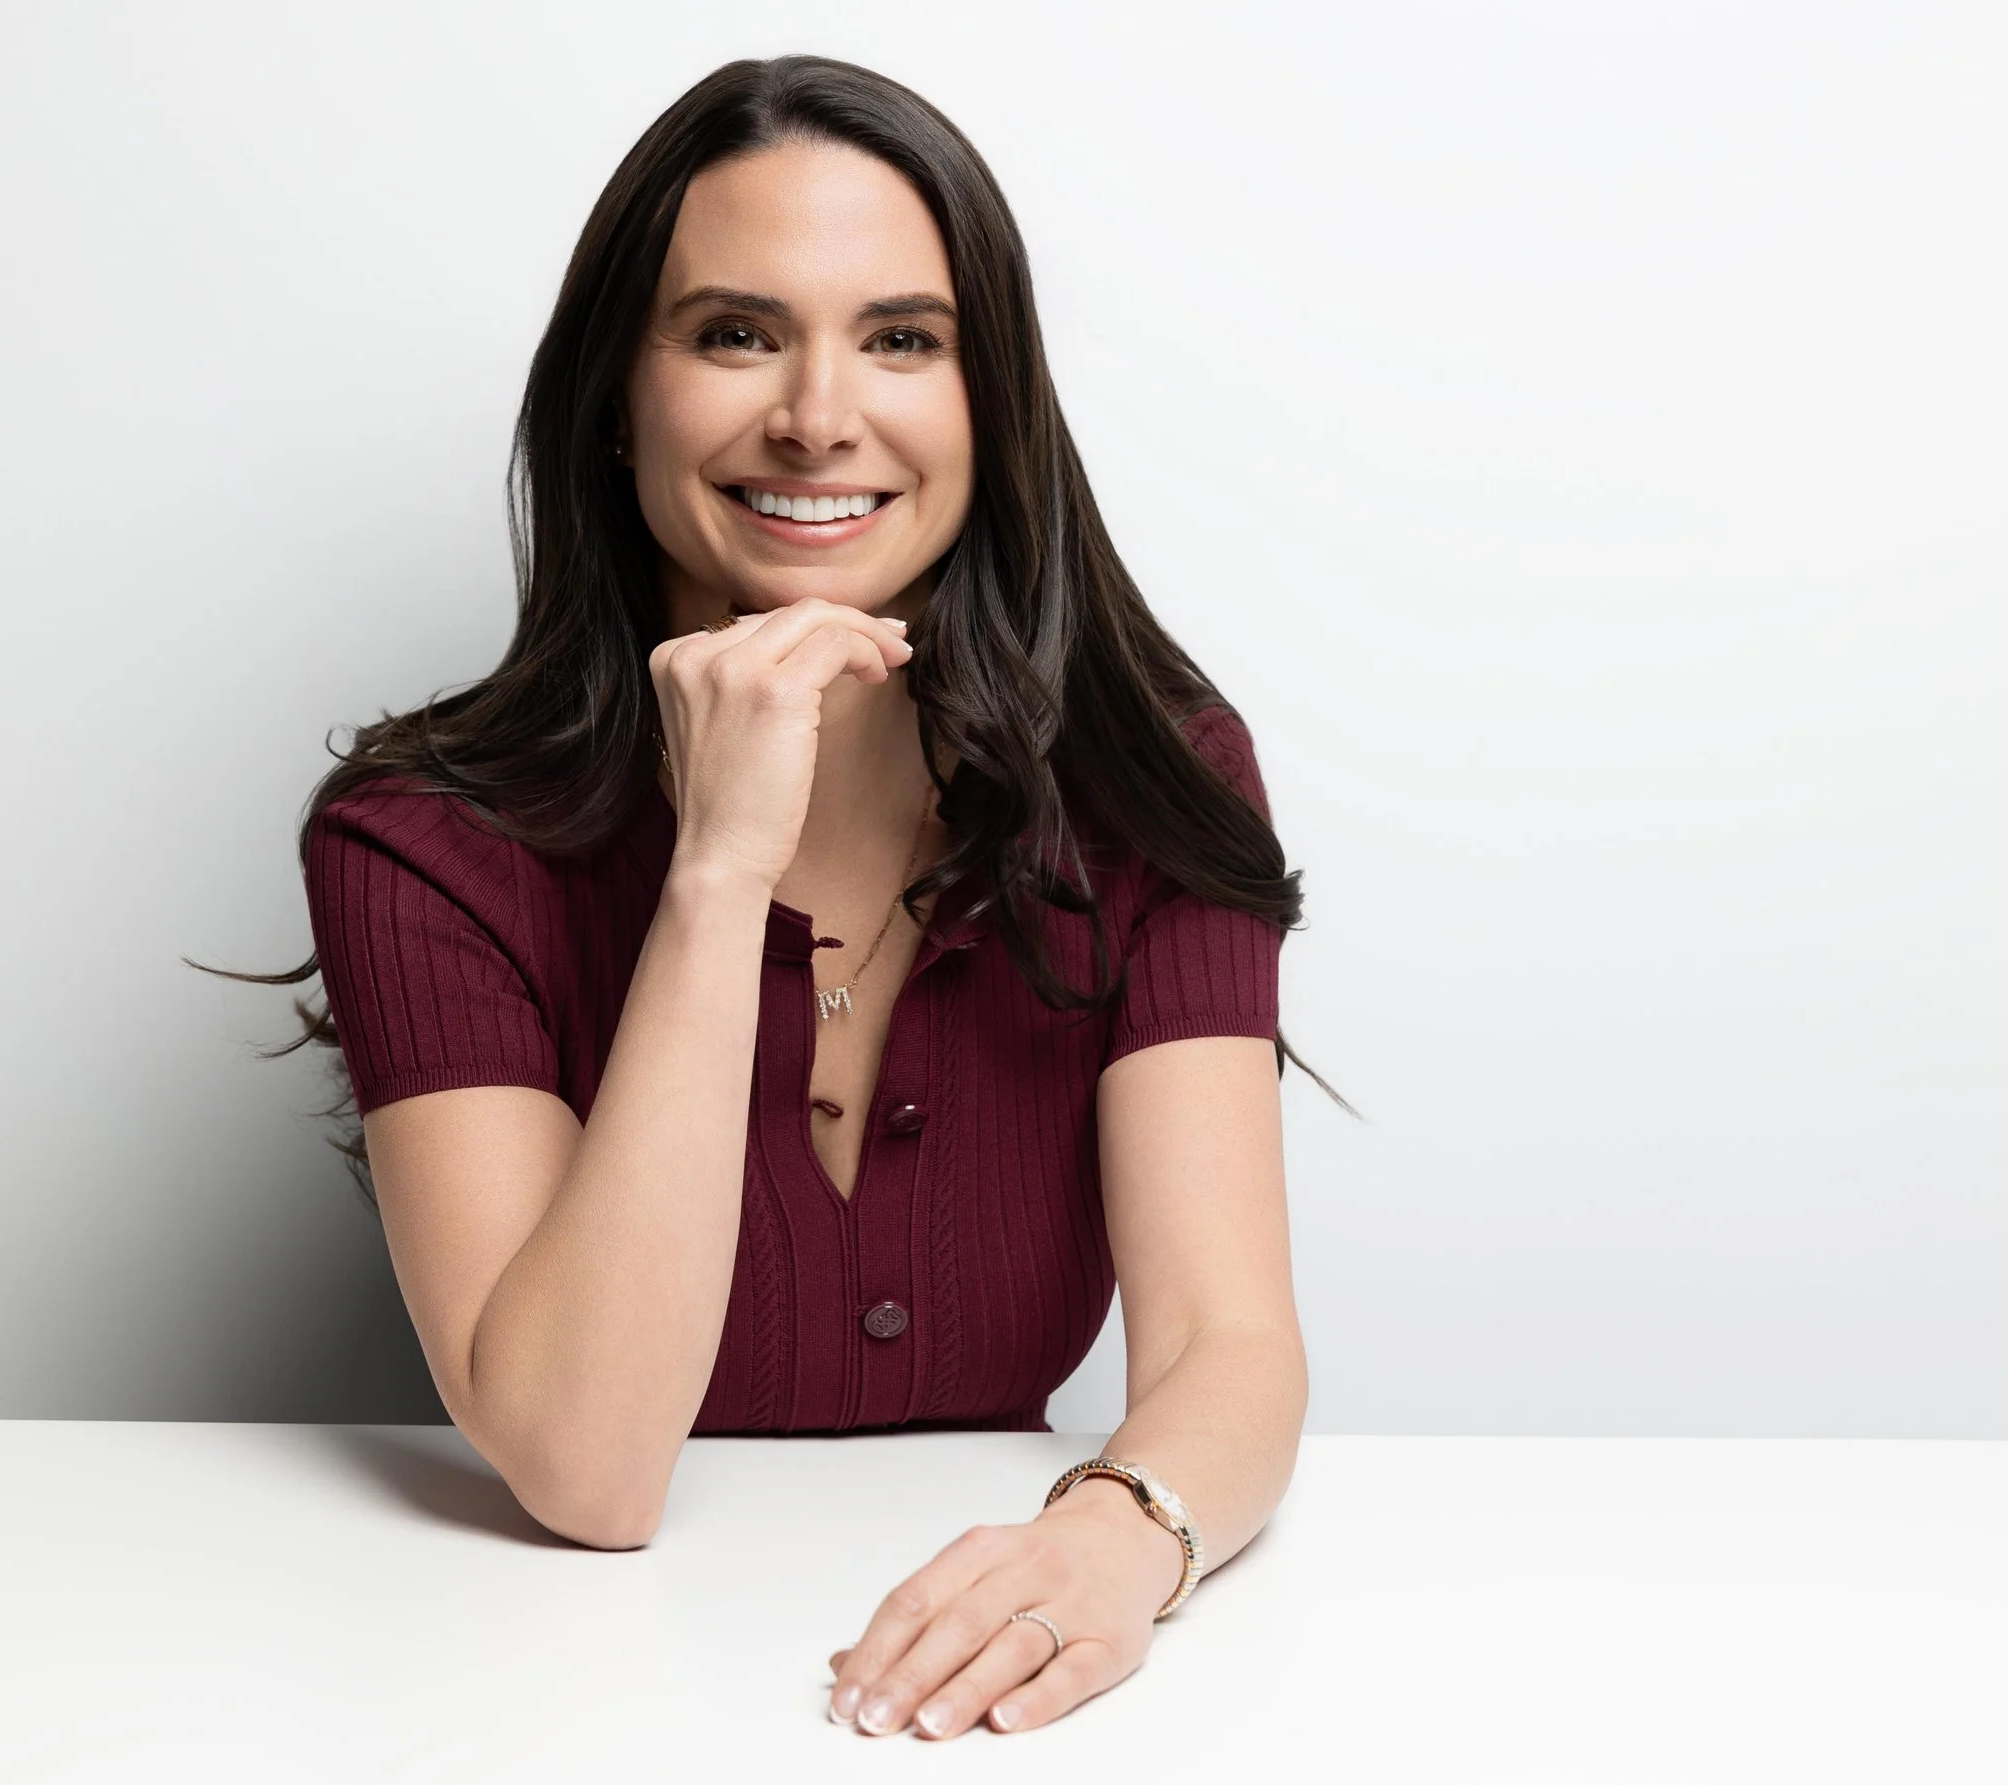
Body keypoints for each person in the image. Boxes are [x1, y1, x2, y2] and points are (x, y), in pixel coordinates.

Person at [250, 54, 1327, 1741]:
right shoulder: (419, 843)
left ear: (993, 403)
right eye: (736, 333)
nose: (821, 416)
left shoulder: (1149, 781)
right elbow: (589, 1472)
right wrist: (719, 871)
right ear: (621, 390)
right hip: (553, 1702)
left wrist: (1126, 1541)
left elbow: (1229, 1342)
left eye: (903, 338)